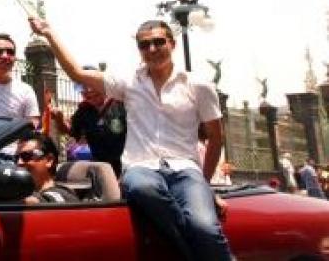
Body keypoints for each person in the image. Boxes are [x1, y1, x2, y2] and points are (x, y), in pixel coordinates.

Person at [30, 17, 231, 261]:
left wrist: (204, 184)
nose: (152, 49)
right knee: (144, 188)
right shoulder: (128, 81)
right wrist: (49, 33)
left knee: (205, 228)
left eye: (158, 42)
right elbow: (76, 73)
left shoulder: (199, 85)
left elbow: (216, 138)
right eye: (144, 45)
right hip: (140, 168)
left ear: (173, 44)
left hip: (186, 171)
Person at [51, 76, 127, 176]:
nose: (88, 90)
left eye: (91, 85)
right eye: (82, 87)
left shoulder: (121, 104)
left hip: (126, 164)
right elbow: (72, 132)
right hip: (101, 166)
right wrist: (59, 120)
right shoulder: (84, 110)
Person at [15, 131, 79, 204]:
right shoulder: (21, 192)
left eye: (26, 156)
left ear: (49, 160)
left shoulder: (63, 194)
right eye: (16, 157)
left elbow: (41, 201)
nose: (19, 162)